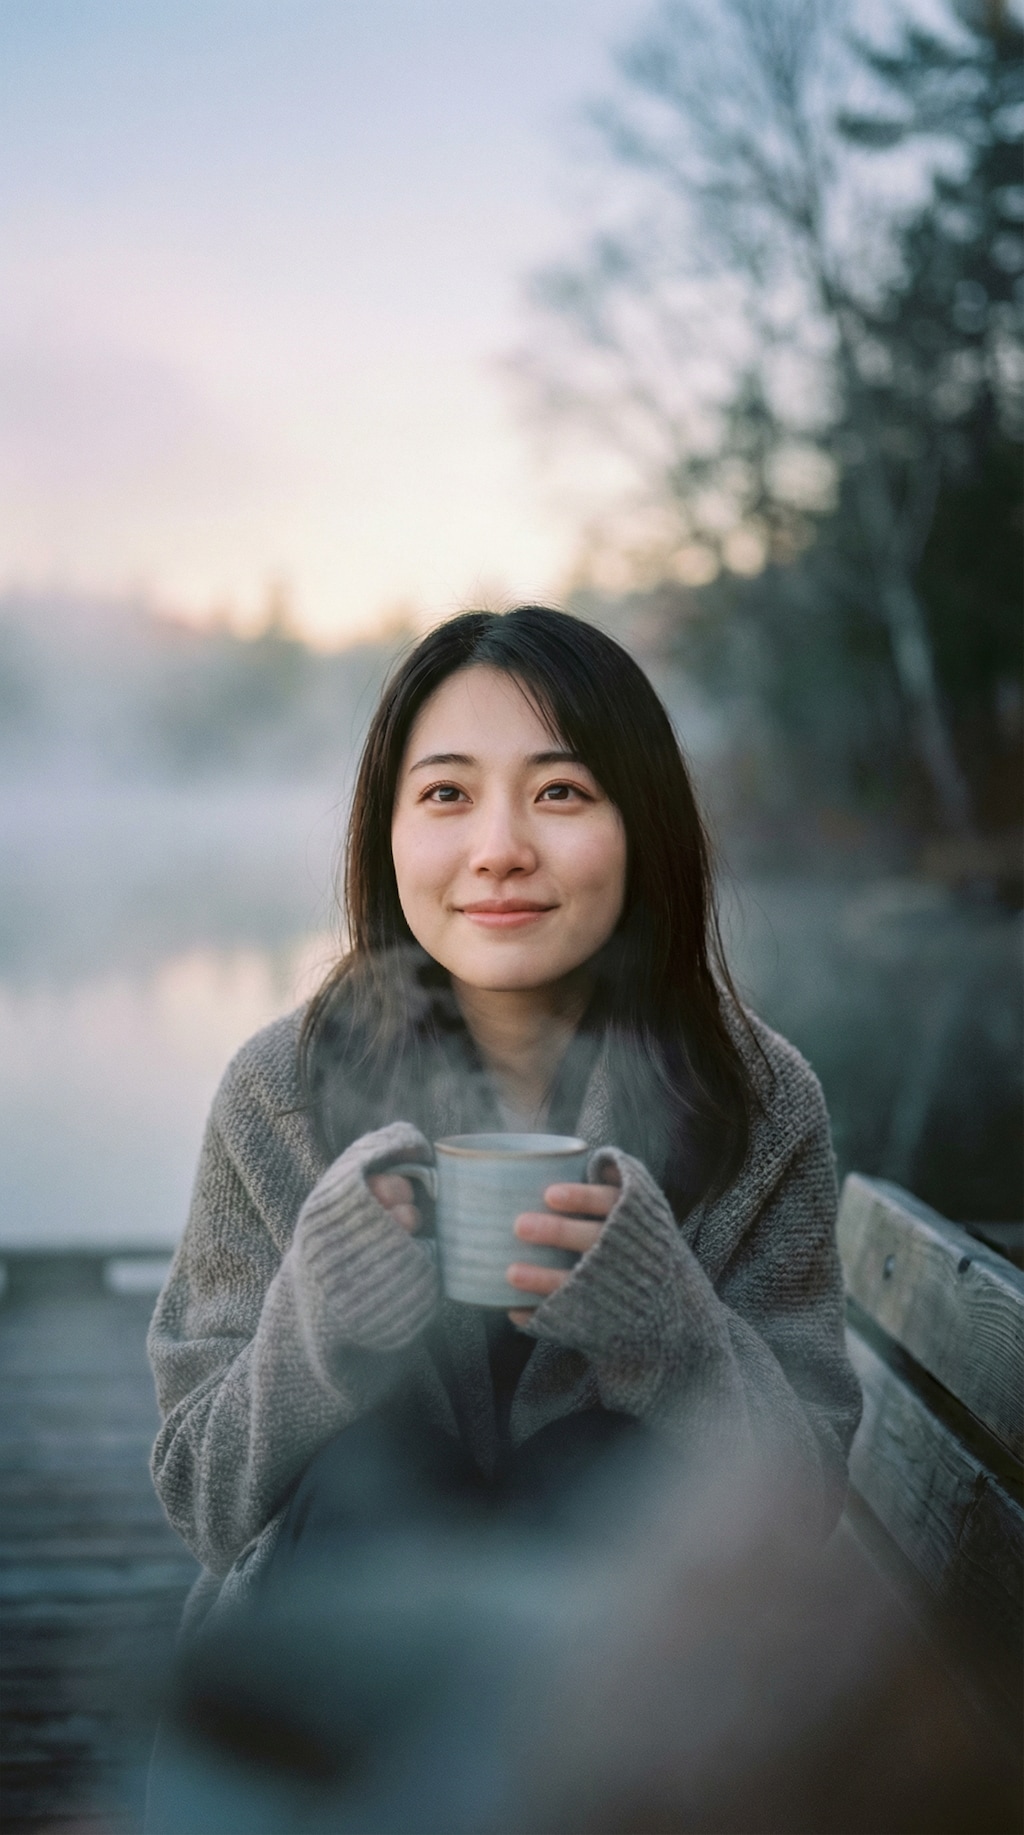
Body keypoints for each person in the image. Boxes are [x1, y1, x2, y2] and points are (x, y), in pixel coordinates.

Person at [146, 605, 862, 1634]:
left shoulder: (752, 1097)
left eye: (560, 791)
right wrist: (318, 1324)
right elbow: (202, 1502)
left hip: (632, 1716)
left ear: (642, 825)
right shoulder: (281, 1090)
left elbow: (800, 1505)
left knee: (604, 1464)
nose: (498, 849)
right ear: (386, 832)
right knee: (375, 1474)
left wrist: (664, 1322)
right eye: (445, 793)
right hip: (336, 1684)